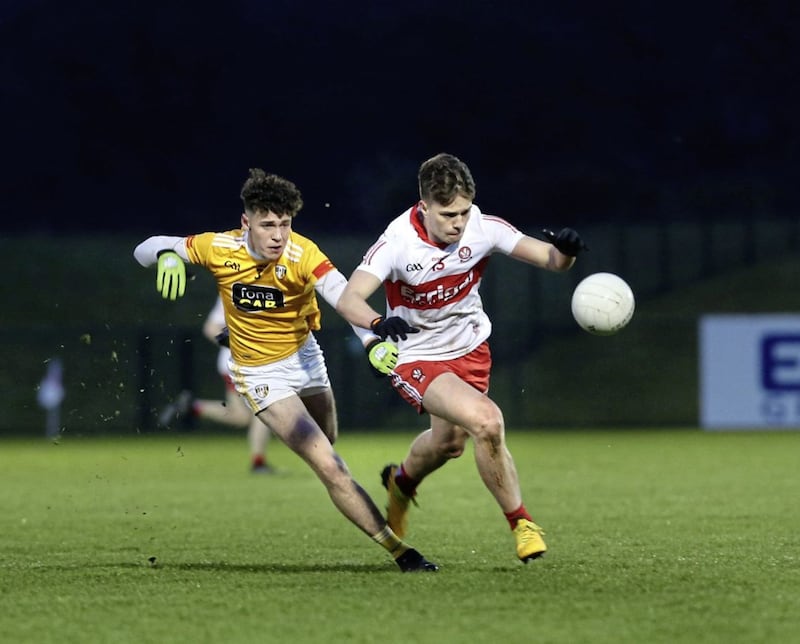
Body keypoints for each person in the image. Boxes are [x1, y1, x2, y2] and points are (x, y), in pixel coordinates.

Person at [134, 168, 438, 572]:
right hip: (260, 375)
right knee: (331, 466)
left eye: (285, 224)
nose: (278, 235)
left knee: (329, 444)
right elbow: (146, 246)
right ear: (246, 223)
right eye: (267, 225)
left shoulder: (302, 254)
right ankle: (402, 553)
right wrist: (168, 254)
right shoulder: (220, 247)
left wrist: (371, 339)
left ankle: (331, 473)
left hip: (305, 358)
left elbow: (342, 297)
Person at [336, 153, 587, 563]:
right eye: (448, 214)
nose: (458, 222)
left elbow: (552, 261)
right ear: (424, 208)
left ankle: (400, 484)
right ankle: (521, 522)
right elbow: (349, 299)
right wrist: (378, 323)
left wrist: (567, 250)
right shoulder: (398, 242)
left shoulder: (483, 228)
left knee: (449, 442)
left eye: (464, 212)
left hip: (469, 349)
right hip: (416, 354)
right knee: (486, 421)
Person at [158, 296, 274, 474]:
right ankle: (258, 462)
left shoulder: (273, 285)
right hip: (240, 364)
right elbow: (211, 328)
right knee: (266, 407)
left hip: (249, 363)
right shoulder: (234, 288)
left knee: (242, 417)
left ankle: (193, 406)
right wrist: (238, 347)